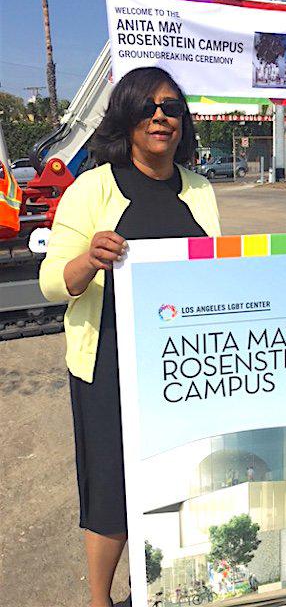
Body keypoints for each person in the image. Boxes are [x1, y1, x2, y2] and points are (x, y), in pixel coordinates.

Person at [39, 66, 221, 607]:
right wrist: (86, 261)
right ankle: (100, 599)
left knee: (181, 479)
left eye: (171, 107)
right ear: (127, 116)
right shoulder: (92, 187)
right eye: (148, 107)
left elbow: (213, 269)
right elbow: (51, 281)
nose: (161, 116)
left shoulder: (202, 189)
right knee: (112, 493)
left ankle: (164, 591)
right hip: (111, 364)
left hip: (185, 366)